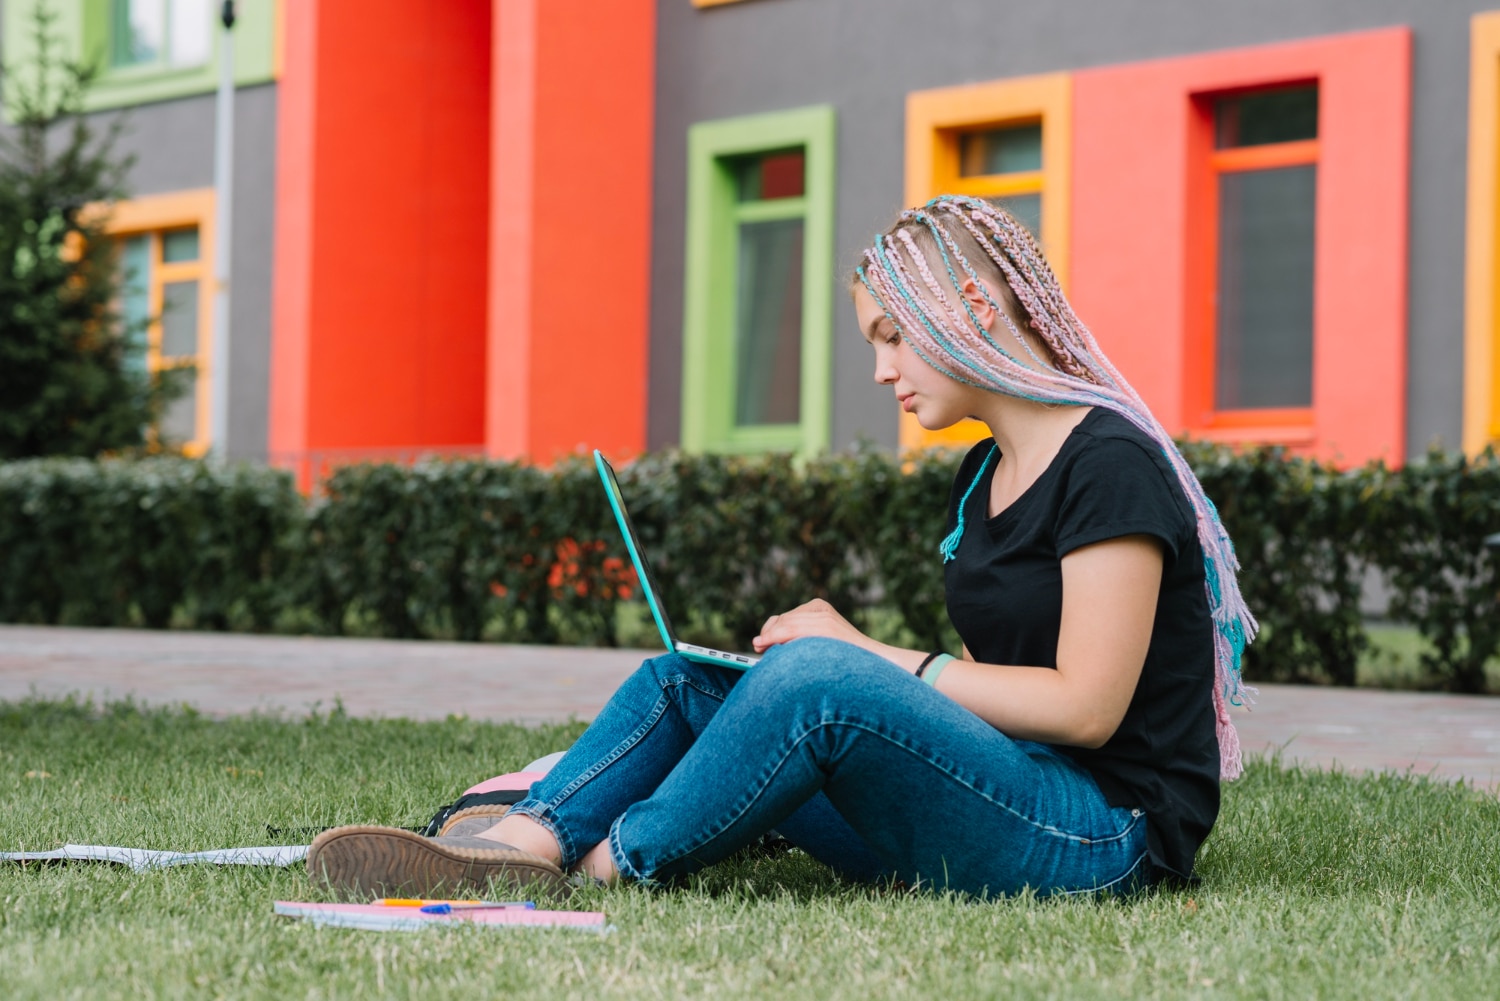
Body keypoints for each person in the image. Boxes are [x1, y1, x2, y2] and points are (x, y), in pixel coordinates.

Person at [305, 195, 1256, 901]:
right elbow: (991, 685)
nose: (884, 370)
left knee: (818, 684)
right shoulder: (985, 472)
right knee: (690, 682)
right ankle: (520, 843)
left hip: (1099, 837)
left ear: (970, 302)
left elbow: (1085, 710)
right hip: (1009, 796)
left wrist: (868, 659)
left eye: (893, 338)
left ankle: (605, 865)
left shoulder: (1111, 465)